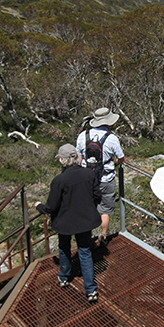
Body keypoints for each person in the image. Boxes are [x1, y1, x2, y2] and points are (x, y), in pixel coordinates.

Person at [36, 144, 102, 302]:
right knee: (85, 252)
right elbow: (97, 196)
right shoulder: (88, 174)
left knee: (64, 248)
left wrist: (39, 207)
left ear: (63, 160)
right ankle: (91, 290)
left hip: (65, 222)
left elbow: (51, 206)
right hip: (85, 221)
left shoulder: (59, 180)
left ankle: (64, 277)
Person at [76, 107, 125, 246]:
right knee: (105, 210)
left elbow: (79, 158)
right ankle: (103, 235)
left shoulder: (82, 136)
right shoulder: (112, 139)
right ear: (108, 122)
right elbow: (121, 158)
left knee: (88, 206)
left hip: (86, 178)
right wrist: (115, 162)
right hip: (106, 179)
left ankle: (86, 236)